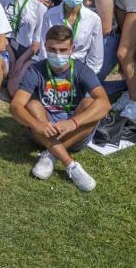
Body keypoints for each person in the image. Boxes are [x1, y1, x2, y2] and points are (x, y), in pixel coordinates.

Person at [10, 24, 108, 191]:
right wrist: (37, 125)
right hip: (44, 130)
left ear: (72, 49)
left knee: (90, 104)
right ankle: (70, 164)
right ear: (45, 47)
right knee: (32, 104)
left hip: (74, 132)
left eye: (63, 50)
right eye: (52, 49)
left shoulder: (81, 69)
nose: (57, 54)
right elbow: (15, 105)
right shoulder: (35, 70)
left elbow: (104, 103)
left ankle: (50, 154)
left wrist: (73, 123)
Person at [35, 0, 105, 75]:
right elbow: (44, 50)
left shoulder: (93, 19)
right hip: (53, 69)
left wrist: (87, 78)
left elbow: (96, 57)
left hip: (80, 71)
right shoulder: (49, 16)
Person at [0, 0, 48, 99]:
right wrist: (12, 57)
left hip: (28, 52)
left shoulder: (40, 4)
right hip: (7, 46)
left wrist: (20, 61)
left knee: (13, 89)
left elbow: (36, 43)